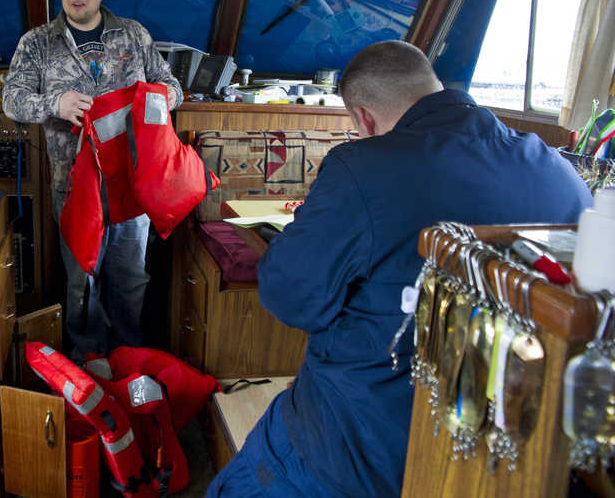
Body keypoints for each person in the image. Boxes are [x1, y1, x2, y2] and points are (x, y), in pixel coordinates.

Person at [206, 40, 593, 498]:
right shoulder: (559, 170)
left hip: (367, 448)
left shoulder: (360, 167)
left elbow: (290, 299)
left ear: (363, 119)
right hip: (516, 450)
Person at [2, 0, 183, 360]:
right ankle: (89, 361)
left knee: (130, 278)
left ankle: (128, 357)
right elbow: (12, 99)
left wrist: (158, 100)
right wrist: (55, 103)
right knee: (82, 278)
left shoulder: (134, 34)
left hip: (131, 183)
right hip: (73, 186)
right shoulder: (37, 43)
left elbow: (170, 85)